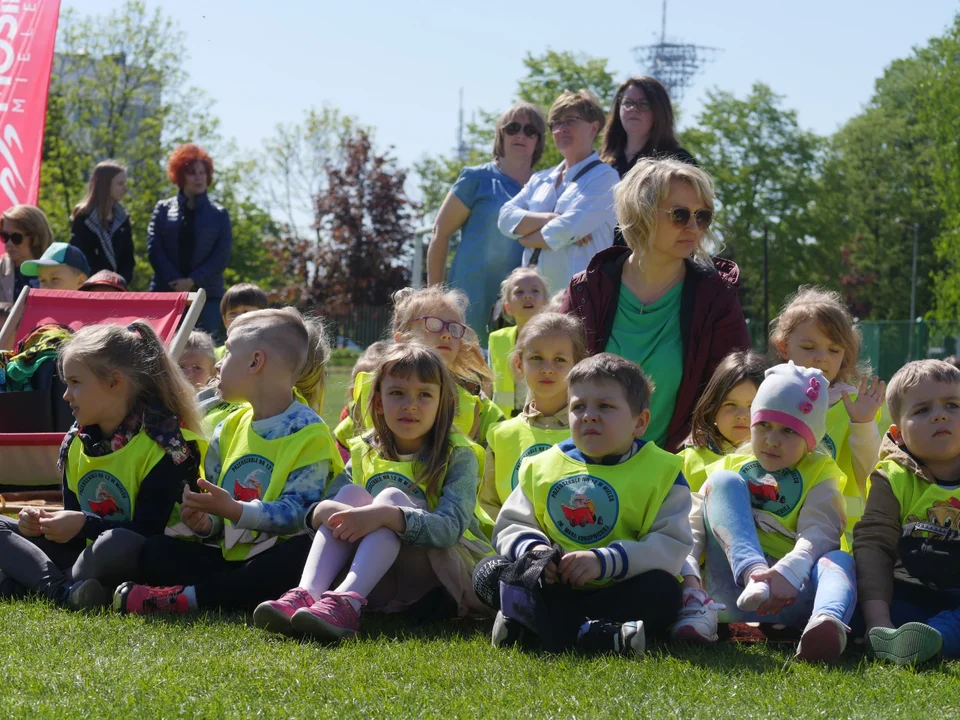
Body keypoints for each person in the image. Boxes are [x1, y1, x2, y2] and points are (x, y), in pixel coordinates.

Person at [254, 344, 494, 639]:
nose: (410, 405)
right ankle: (307, 593)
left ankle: (348, 602)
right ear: (378, 402)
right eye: (397, 393)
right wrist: (321, 511)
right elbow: (323, 508)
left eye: (425, 395)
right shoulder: (365, 449)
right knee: (353, 495)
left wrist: (388, 515)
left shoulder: (458, 454)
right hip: (381, 580)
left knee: (390, 498)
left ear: (441, 403)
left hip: (441, 579)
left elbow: (450, 529)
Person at [114, 308, 343, 614]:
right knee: (155, 551)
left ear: (255, 362)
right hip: (230, 557)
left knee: (303, 552)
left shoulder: (310, 432)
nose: (218, 364)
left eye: (229, 351)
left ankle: (190, 598)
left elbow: (298, 514)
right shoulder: (229, 427)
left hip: (276, 557)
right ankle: (217, 592)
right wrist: (207, 522)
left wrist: (234, 510)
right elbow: (220, 518)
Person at [483, 353, 692, 655]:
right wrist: (537, 554)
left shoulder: (664, 472)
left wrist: (602, 561)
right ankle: (594, 635)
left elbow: (670, 547)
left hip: (618, 589)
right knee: (488, 571)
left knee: (666, 592)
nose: (589, 416)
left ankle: (534, 625)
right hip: (553, 585)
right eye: (578, 406)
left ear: (640, 422)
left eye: (605, 407)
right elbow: (512, 525)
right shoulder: (540, 465)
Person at [0, 321, 204, 608]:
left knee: (117, 542)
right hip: (85, 556)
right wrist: (40, 523)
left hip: (143, 555)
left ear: (114, 382)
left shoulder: (166, 445)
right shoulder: (76, 441)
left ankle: (29, 581)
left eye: (75, 383)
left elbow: (147, 532)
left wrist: (83, 524)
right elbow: (72, 525)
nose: (66, 396)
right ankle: (62, 590)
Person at [562, 158, 750, 452]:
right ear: (642, 213)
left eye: (702, 216)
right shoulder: (587, 290)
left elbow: (735, 391)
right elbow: (563, 381)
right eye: (679, 215)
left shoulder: (717, 298)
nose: (693, 227)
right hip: (590, 466)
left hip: (678, 472)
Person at [684, 362, 854, 661]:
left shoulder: (820, 472)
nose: (772, 440)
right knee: (722, 482)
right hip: (734, 590)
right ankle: (733, 586)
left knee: (839, 559)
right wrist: (690, 580)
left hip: (791, 593)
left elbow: (821, 531)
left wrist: (789, 571)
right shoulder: (731, 465)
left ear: (810, 438)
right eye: (763, 425)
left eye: (789, 430)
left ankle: (826, 623)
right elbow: (693, 526)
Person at [854, 359, 960, 665]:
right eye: (923, 410)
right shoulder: (892, 476)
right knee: (849, 594)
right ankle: (892, 638)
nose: (940, 414)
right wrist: (878, 621)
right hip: (903, 599)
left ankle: (933, 638)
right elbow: (874, 545)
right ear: (897, 434)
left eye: (952, 405)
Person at [771, 286, 886, 547]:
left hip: (840, 539)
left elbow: (873, 476)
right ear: (783, 346)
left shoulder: (858, 406)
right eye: (809, 346)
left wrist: (864, 425)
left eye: (834, 350)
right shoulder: (769, 396)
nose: (822, 357)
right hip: (774, 532)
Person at [427, 103, 546, 346]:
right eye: (513, 128)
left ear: (539, 140)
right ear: (500, 135)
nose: (521, 134)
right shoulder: (476, 178)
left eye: (530, 130)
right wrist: (435, 298)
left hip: (523, 304)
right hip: (468, 302)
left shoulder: (547, 187)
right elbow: (440, 233)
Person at [335, 287, 494, 449]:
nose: (446, 334)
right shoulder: (371, 390)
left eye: (453, 328)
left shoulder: (473, 404)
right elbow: (344, 446)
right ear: (401, 339)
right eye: (433, 324)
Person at [498, 90, 619, 296]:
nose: (561, 128)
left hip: (580, 298)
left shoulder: (605, 178)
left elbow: (565, 229)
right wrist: (550, 218)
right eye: (556, 123)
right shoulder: (540, 179)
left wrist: (524, 237)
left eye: (570, 120)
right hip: (535, 300)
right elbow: (504, 219)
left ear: (594, 127)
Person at [480, 312, 586, 522]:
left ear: (577, 366)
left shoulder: (591, 432)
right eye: (536, 358)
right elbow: (487, 505)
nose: (547, 369)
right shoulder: (500, 435)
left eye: (559, 360)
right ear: (519, 364)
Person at [599, 76, 697, 248]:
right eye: (628, 102)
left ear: (659, 111)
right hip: (603, 263)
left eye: (643, 104)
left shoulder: (678, 161)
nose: (633, 110)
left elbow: (689, 218)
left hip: (653, 262)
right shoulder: (601, 162)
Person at [147, 143, 233, 337]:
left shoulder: (219, 214)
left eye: (203, 173)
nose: (199, 178)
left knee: (201, 351)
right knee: (161, 348)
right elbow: (154, 249)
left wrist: (192, 281)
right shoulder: (162, 209)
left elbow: (221, 256)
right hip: (166, 293)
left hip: (207, 298)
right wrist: (175, 281)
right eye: (192, 173)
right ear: (180, 176)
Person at [678, 350, 769, 492]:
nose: (742, 415)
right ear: (712, 408)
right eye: (730, 404)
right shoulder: (684, 463)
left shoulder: (780, 459)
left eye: (753, 406)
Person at [488, 267, 548, 416]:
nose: (527, 296)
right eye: (519, 292)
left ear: (546, 303)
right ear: (507, 307)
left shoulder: (556, 339)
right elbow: (489, 383)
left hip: (543, 420)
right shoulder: (496, 339)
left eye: (535, 291)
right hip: (504, 421)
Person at [69, 160, 135, 284]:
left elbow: (128, 259)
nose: (125, 188)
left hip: (118, 289)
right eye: (120, 184)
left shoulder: (123, 219)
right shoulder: (83, 217)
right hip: (90, 287)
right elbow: (80, 257)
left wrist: (120, 282)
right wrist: (102, 282)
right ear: (106, 185)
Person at [0, 204, 55, 308]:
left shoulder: (58, 271)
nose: (9, 243)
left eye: (16, 237)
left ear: (35, 237)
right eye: (5, 237)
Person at [20, 242, 91, 291]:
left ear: (80, 281)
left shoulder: (92, 312)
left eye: (54, 279)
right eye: (42, 280)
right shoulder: (39, 311)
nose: (46, 288)